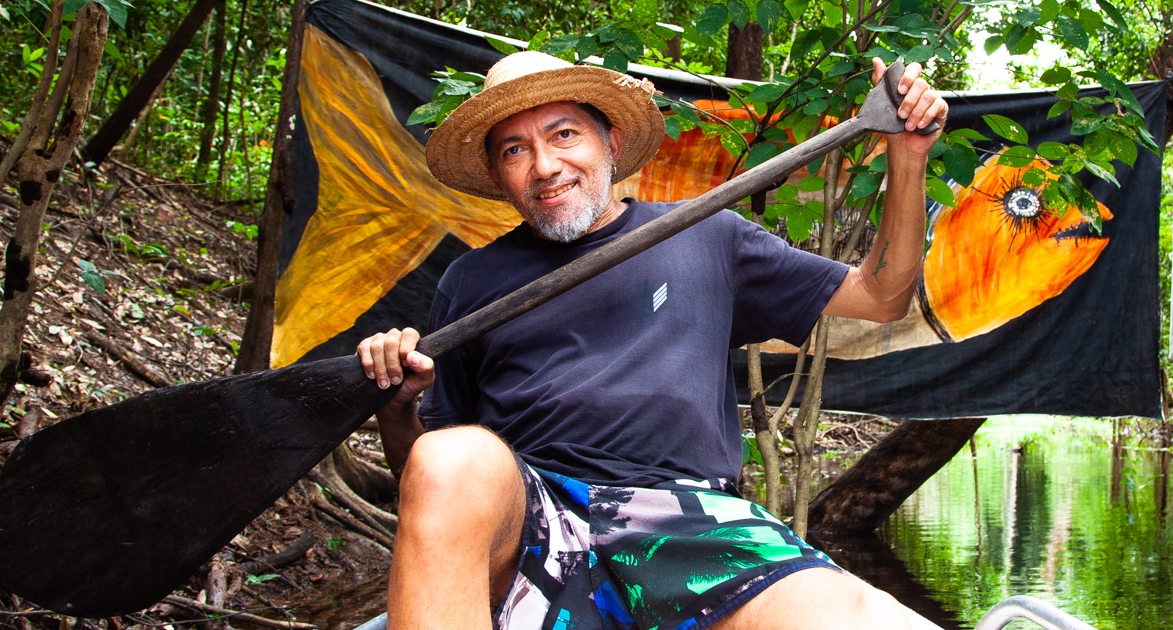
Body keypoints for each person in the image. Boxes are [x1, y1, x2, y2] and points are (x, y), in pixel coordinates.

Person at [358, 49, 949, 630]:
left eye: (564, 135)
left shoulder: (706, 235)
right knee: (449, 455)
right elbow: (428, 483)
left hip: (690, 523)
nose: (544, 166)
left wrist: (908, 156)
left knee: (859, 618)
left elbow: (880, 296)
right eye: (515, 149)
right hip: (532, 523)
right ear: (496, 174)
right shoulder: (470, 281)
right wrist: (396, 405)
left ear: (610, 145)